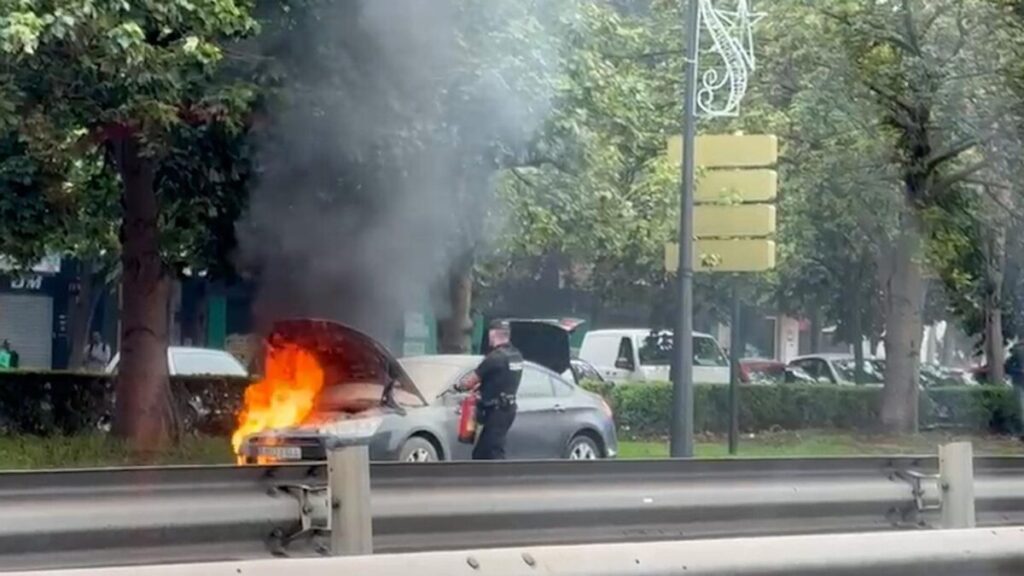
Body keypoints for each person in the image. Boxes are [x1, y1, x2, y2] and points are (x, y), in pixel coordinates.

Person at [457, 320, 523, 460]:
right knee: (481, 453)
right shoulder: (516, 355)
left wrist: (458, 386)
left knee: (493, 451)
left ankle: (501, 474)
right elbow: (501, 378)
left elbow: (469, 382)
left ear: (493, 335)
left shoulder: (495, 358)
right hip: (508, 409)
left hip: (496, 411)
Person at [1005, 342, 1024, 438]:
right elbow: (1007, 367)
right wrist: (1019, 371)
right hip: (1019, 383)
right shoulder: (1018, 352)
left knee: (1021, 409)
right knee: (1021, 409)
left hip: (1018, 382)